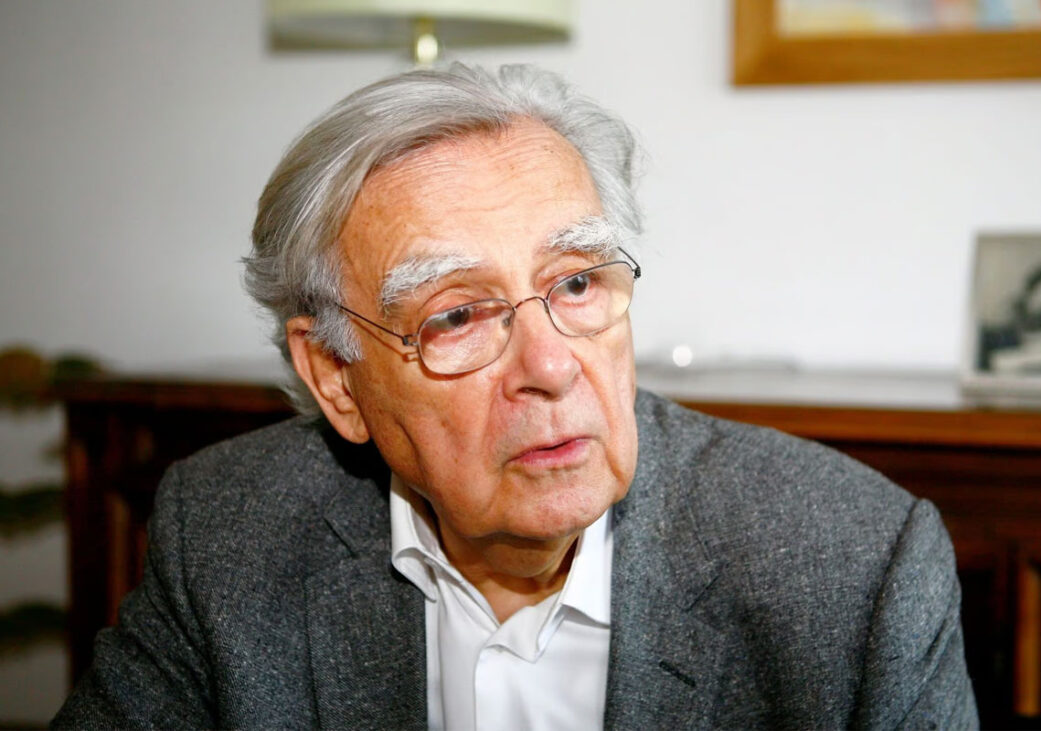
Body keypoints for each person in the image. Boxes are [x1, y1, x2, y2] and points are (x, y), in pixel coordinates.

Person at [54, 64, 977, 729]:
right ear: (336, 376)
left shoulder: (854, 566)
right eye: (457, 314)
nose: (552, 365)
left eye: (576, 283)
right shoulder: (229, 531)